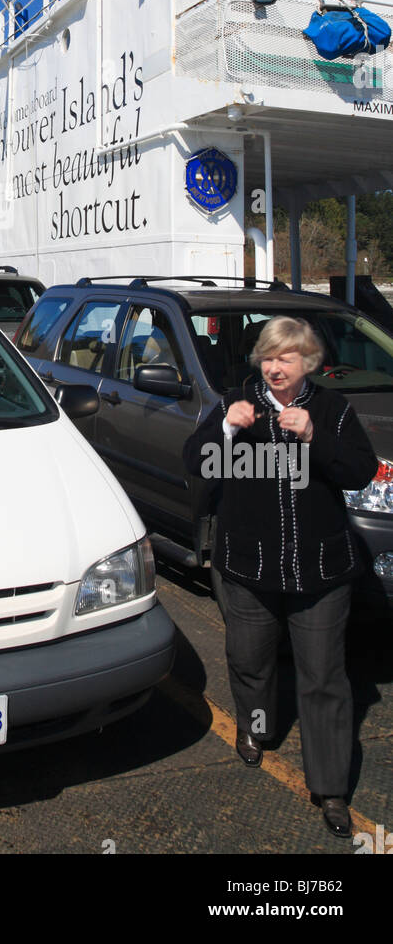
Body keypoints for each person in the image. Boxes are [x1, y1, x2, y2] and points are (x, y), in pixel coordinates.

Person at [183, 315, 377, 839]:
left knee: (323, 678)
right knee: (249, 660)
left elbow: (360, 471)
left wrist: (314, 436)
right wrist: (226, 429)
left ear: (307, 363)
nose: (273, 367)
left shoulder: (331, 410)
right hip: (249, 566)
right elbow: (196, 460)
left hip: (320, 571)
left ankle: (331, 788)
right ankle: (257, 729)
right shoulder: (235, 404)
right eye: (267, 357)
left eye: (285, 358)